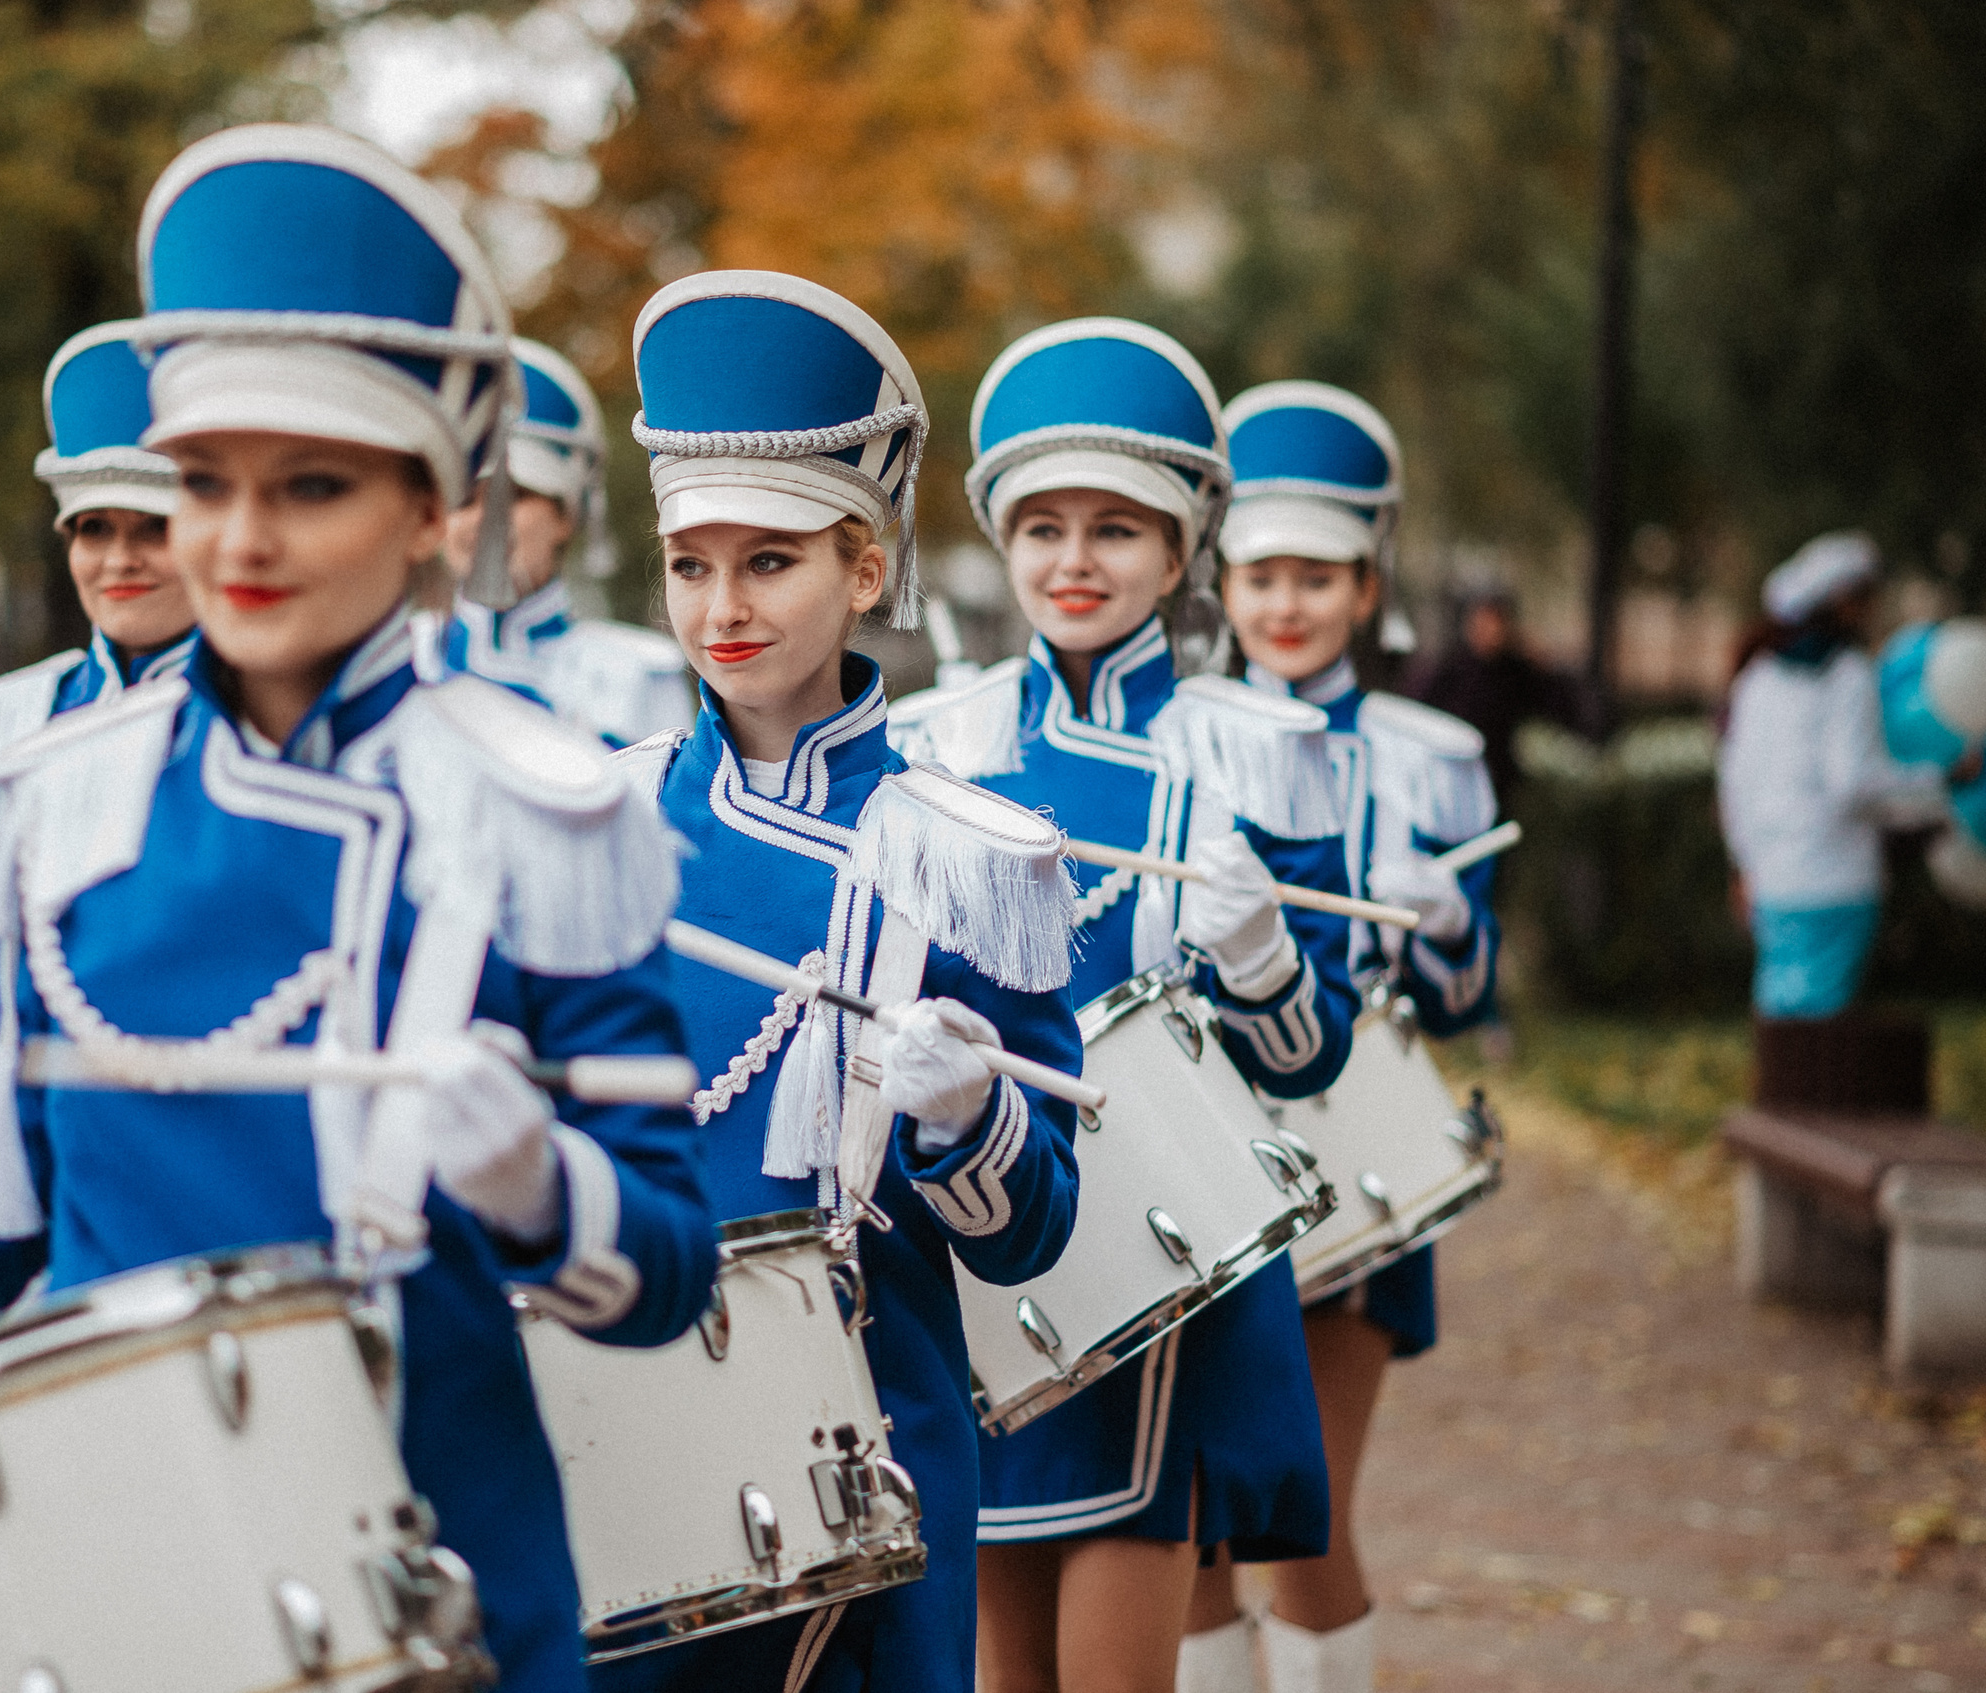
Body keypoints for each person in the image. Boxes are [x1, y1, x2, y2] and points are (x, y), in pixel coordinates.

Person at [0, 124, 719, 1691]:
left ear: (430, 511)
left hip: (434, 1575)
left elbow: (672, 1269)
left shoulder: (545, 812)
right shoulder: (59, 793)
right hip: (111, 1564)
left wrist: (540, 1184)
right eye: (202, 484)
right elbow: (0, 1200)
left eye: (312, 486)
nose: (240, 538)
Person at [600, 269, 1084, 1693]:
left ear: (864, 569)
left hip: (866, 1447)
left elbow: (1029, 1232)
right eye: (692, 564)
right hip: (618, 1430)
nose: (722, 605)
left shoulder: (965, 853)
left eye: (771, 562)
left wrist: (969, 1117)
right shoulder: (592, 823)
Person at [887, 319, 1356, 1693]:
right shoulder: (941, 741)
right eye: (1041, 526)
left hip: (1162, 1268)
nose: (1075, 562)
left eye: (1117, 529)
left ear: (1179, 553)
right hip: (984, 1248)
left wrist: (1266, 959)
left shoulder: (1256, 753)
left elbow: (1311, 1056)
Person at [1179, 381, 1503, 1693]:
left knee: (1300, 1519)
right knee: (1191, 1519)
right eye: (1261, 575)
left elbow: (1469, 993)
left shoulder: (1434, 756)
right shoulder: (1176, 732)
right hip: (1203, 1164)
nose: (1286, 604)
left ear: (1369, 587)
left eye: (1319, 576)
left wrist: (1442, 923)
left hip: (1359, 1165)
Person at [0, 320, 197, 1048]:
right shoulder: (3, 725)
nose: (118, 559)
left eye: (153, 528)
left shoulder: (270, 717)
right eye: (93, 529)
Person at [1719, 530, 1960, 1019]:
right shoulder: (1848, 675)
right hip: (1835, 881)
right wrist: (1941, 781)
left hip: (1773, 880)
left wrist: (1745, 864)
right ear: (1845, 605)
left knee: (1781, 1026)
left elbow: (1735, 784)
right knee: (1819, 1041)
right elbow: (1854, 784)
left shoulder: (1757, 679)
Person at [441, 336, 695, 744]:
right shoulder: (390, 664)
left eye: (516, 496)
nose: (485, 523)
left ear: (565, 517)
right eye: (465, 500)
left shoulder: (635, 676)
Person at [1403, 577, 1600, 811]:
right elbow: (1412, 717)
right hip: (1446, 786)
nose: (1490, 629)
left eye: (1497, 620)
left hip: (1496, 788)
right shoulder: (1445, 670)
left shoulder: (1516, 672)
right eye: (1483, 619)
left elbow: (1565, 706)